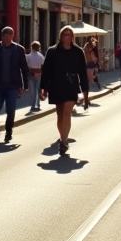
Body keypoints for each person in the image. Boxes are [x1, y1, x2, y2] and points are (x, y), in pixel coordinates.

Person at [39, 26, 90, 156]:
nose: (67, 36)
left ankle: (64, 141)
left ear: (73, 37)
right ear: (60, 36)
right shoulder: (52, 51)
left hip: (71, 85)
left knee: (67, 113)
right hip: (56, 85)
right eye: (65, 34)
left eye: (69, 34)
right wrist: (43, 88)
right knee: (60, 114)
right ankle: (62, 137)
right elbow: (46, 71)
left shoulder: (78, 52)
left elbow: (83, 73)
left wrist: (85, 93)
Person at [0, 26, 31, 143]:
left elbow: (24, 69)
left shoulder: (19, 49)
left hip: (12, 86)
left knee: (10, 110)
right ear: (2, 36)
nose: (10, 38)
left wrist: (25, 87)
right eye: (7, 36)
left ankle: (9, 132)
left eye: (11, 36)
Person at [26, 41, 45, 111]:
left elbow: (27, 66)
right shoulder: (41, 56)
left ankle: (33, 105)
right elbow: (43, 65)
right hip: (39, 74)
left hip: (31, 74)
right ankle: (38, 105)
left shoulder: (28, 56)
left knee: (32, 90)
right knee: (38, 90)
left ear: (31, 47)